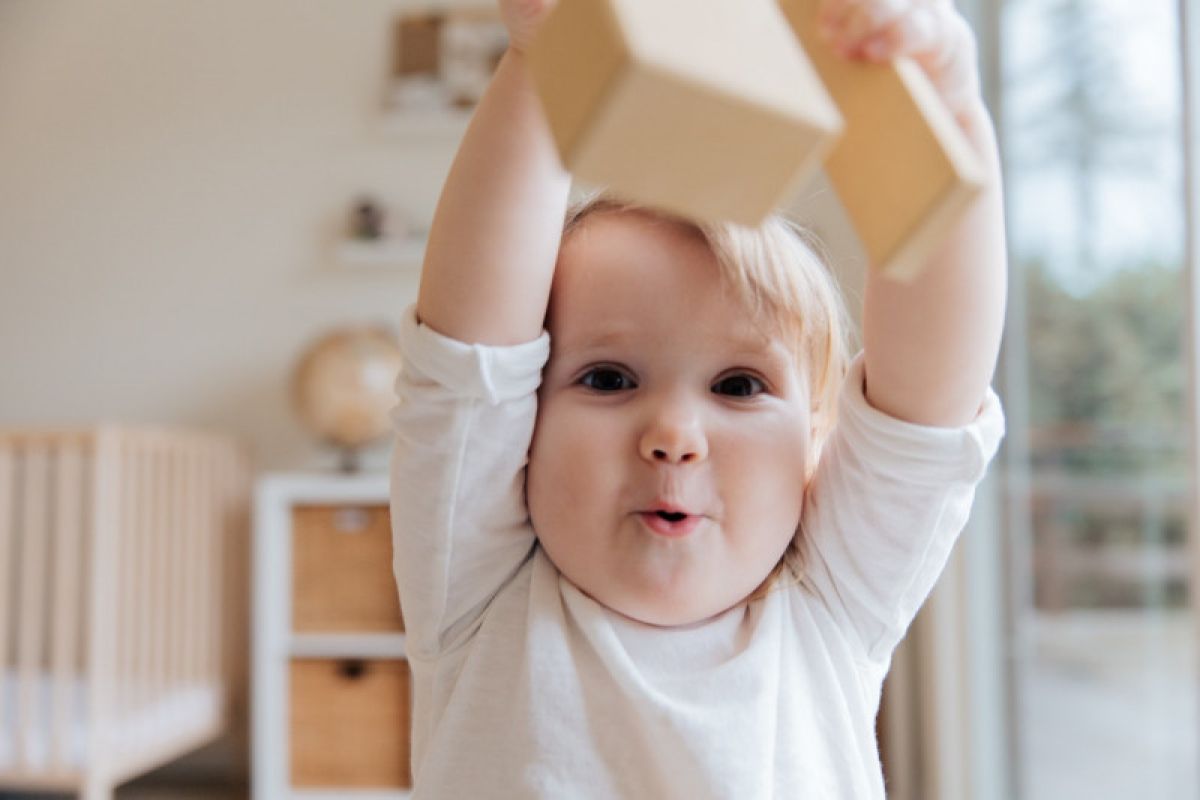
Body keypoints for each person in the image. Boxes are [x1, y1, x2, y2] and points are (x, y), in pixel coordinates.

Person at [389, 0, 1007, 795]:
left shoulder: (830, 601)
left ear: (814, 444)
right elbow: (469, 361)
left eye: (739, 386)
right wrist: (548, 59)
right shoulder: (480, 587)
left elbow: (929, 403)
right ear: (523, 429)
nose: (675, 435)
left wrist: (948, 110)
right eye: (608, 379)